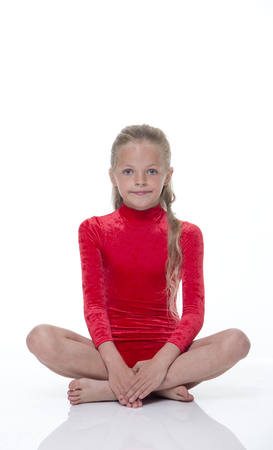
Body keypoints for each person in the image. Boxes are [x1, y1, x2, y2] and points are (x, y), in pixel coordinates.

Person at [26, 124, 250, 409]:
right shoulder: (94, 229)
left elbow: (194, 311)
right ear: (113, 176)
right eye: (129, 171)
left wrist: (160, 363)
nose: (140, 180)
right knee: (40, 338)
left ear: (168, 176)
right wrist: (115, 363)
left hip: (169, 354)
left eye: (152, 171)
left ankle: (116, 389)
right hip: (109, 354)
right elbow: (94, 305)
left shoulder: (187, 234)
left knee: (237, 342)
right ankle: (157, 387)